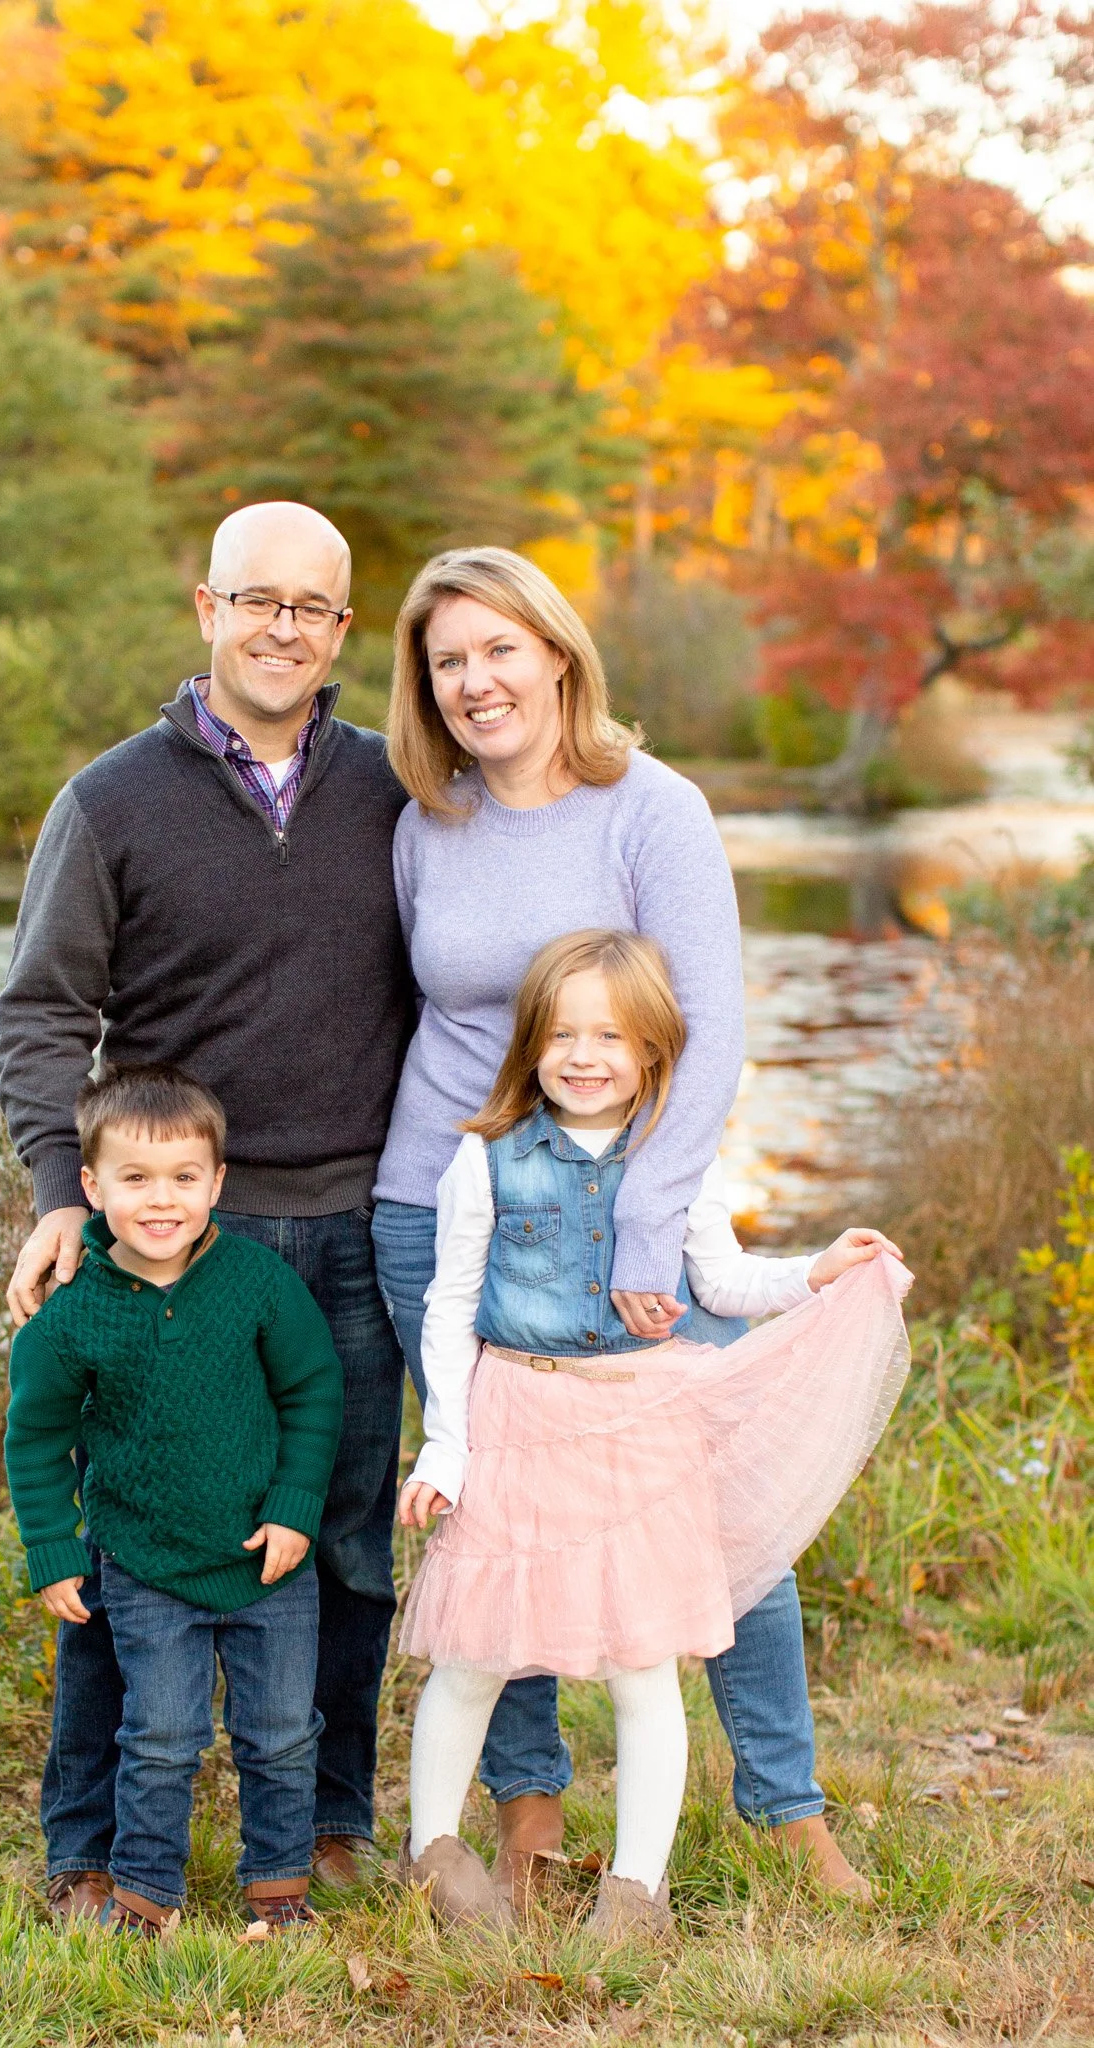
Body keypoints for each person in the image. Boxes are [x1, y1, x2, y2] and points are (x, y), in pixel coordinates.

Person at [372, 545, 875, 1903]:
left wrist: (651, 1227)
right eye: (447, 661)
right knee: (503, 1525)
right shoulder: (429, 824)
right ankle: (526, 1813)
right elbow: (437, 1022)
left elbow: (704, 1033)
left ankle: (783, 1806)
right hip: (446, 1202)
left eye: (498, 649)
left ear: (556, 654)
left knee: (705, 1514)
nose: (477, 682)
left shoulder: (651, 809)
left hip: (632, 1221)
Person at [0, 502, 413, 1917]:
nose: (284, 628)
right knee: (131, 1552)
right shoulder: (110, 800)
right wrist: (65, 1191)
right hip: (168, 1237)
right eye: (258, 600)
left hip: (355, 1228)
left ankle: (327, 1823)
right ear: (206, 608)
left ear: (343, 631)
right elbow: (45, 1014)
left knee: (342, 1539)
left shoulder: (393, 786)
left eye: (313, 607)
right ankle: (89, 1851)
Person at [395, 931, 911, 1934]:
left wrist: (817, 1268)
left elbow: (721, 1282)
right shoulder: (485, 1155)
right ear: (531, 1044)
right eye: (562, 1033)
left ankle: (638, 1888)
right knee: (478, 1651)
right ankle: (434, 1852)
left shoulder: (677, 1157)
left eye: (611, 1035)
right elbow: (449, 1310)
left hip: (639, 1422)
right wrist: (445, 1444)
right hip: (517, 1416)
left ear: (654, 1050)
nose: (584, 1054)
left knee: (644, 1663)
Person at [5, 1065, 345, 1934]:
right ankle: (143, 1896)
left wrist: (296, 1506)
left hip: (267, 1559)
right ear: (90, 1187)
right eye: (135, 1179)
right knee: (158, 1737)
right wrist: (51, 1551)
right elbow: (36, 1440)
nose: (162, 1201)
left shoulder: (258, 1283)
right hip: (143, 1564)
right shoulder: (73, 1316)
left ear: (217, 1182)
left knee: (278, 1734)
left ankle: (279, 1889)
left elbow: (312, 1392)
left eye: (184, 1178)